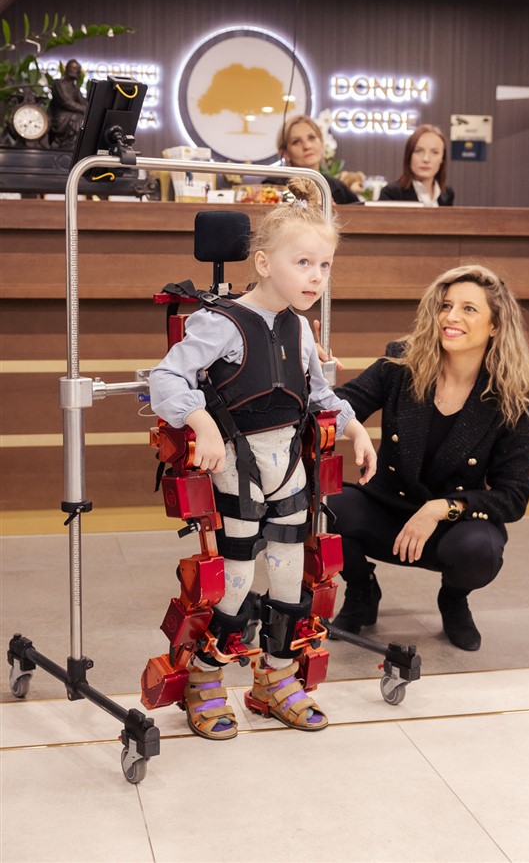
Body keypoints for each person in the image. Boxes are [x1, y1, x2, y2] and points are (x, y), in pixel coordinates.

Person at [149, 176, 376, 738]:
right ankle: (204, 680)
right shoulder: (220, 323)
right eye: (304, 263)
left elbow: (320, 394)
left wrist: (355, 430)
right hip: (238, 468)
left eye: (325, 266)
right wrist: (201, 421)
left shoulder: (299, 329)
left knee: (290, 579)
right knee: (232, 581)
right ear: (264, 263)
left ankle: (274, 679)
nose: (316, 277)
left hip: (290, 470)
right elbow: (166, 378)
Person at [325, 264, 529, 651]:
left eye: (468, 309)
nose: (451, 317)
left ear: (495, 325)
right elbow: (337, 406)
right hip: (386, 507)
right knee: (324, 509)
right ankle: (361, 590)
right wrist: (314, 376)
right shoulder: (400, 364)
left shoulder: (511, 398)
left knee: (481, 551)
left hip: (449, 527)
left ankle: (454, 600)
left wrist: (443, 508)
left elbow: (514, 496)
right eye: (446, 305)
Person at [264, 114, 362, 205]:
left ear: (322, 143)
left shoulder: (339, 188)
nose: (307, 146)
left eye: (311, 138)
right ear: (285, 153)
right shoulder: (272, 187)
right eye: (296, 141)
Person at [379, 124, 454, 207]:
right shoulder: (391, 194)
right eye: (418, 151)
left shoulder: (447, 194)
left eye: (434, 152)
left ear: (442, 159)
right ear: (409, 155)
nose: (426, 159)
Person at [48, 59, 87, 149]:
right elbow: (65, 102)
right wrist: (83, 109)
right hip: (61, 115)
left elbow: (82, 101)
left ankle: (74, 144)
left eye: (77, 69)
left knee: (83, 118)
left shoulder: (75, 88)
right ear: (67, 69)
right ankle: (68, 144)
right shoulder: (59, 83)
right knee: (78, 118)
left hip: (72, 113)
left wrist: (90, 107)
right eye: (73, 68)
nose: (75, 71)